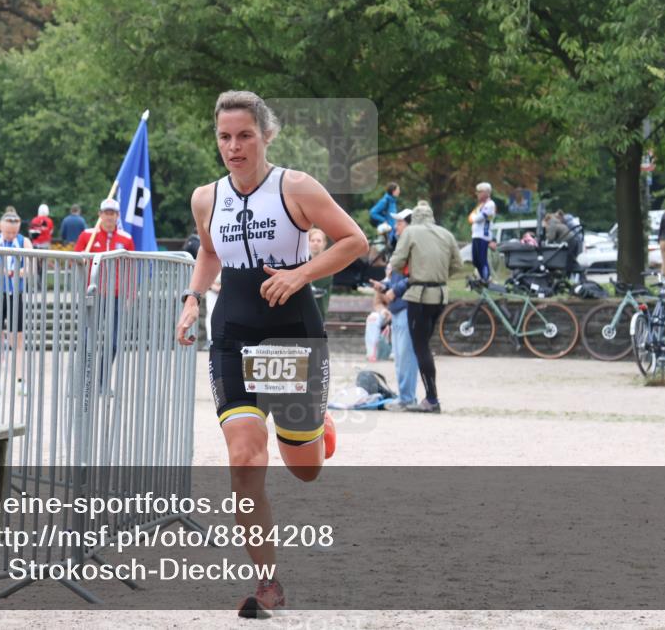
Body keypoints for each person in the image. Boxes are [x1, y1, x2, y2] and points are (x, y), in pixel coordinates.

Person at [174, 90, 367, 618]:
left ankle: (316, 428)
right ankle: (267, 583)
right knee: (243, 459)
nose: (234, 147)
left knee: (303, 467)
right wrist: (193, 300)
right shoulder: (205, 198)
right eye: (224, 136)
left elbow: (354, 241)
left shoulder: (295, 187)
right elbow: (210, 253)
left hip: (291, 330)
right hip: (233, 330)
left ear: (266, 136)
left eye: (244, 136)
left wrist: (300, 273)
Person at [390, 200, 463, 413]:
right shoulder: (446, 234)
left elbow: (396, 262)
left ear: (415, 217)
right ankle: (430, 396)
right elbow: (458, 265)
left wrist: (416, 271)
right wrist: (439, 276)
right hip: (440, 296)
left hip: (418, 296)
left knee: (420, 347)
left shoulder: (410, 232)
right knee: (425, 346)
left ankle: (432, 399)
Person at [74, 198, 136, 371]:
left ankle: (102, 379)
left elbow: (131, 269)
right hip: (93, 294)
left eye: (113, 213)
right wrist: (81, 260)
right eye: (106, 213)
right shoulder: (88, 235)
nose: (109, 217)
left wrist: (130, 294)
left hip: (116, 296)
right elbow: (74, 261)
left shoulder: (126, 239)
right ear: (100, 215)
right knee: (87, 339)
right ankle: (85, 378)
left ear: (117, 216)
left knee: (114, 342)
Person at [371, 210, 418, 408]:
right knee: (399, 356)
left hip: (407, 305)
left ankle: (407, 399)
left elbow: (414, 276)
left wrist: (395, 291)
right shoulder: (402, 247)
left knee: (406, 356)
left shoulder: (413, 248)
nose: (396, 226)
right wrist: (385, 287)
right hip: (398, 307)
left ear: (409, 225)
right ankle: (405, 397)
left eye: (399, 222)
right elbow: (399, 279)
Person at [0, 211, 33, 395]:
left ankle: (20, 380)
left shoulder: (24, 241)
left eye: (14, 232)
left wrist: (22, 271)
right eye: (8, 232)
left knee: (17, 339)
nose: (11, 236)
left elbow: (29, 265)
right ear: (1, 228)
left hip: (15, 293)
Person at [468, 182, 496, 280]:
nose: (477, 194)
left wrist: (474, 217)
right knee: (475, 260)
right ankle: (482, 277)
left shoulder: (490, 204)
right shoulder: (480, 206)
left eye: (480, 192)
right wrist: (473, 217)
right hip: (476, 235)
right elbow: (470, 218)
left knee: (482, 259)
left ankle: (486, 278)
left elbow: (477, 218)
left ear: (487, 193)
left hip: (483, 235)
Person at [307, 228, 332, 322]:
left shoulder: (328, 264)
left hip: (319, 309)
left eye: (318, 240)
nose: (315, 243)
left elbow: (318, 285)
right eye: (312, 240)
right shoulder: (301, 262)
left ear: (324, 243)